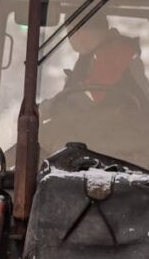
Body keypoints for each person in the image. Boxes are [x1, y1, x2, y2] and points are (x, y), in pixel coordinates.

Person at [38, 14, 149, 166]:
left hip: (131, 132)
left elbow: (90, 96)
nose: (72, 38)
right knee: (42, 138)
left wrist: (46, 109)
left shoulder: (116, 52)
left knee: (45, 137)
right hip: (113, 128)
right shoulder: (93, 55)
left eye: (74, 32)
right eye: (70, 33)